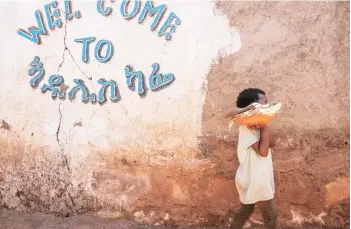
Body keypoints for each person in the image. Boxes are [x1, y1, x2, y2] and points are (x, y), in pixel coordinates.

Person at [224, 88, 279, 229]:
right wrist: (264, 129)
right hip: (256, 179)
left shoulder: (258, 127)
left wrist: (264, 128)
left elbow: (271, 143)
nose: (267, 106)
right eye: (264, 103)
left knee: (245, 211)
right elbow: (263, 152)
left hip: (255, 178)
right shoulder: (246, 128)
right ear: (254, 105)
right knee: (270, 216)